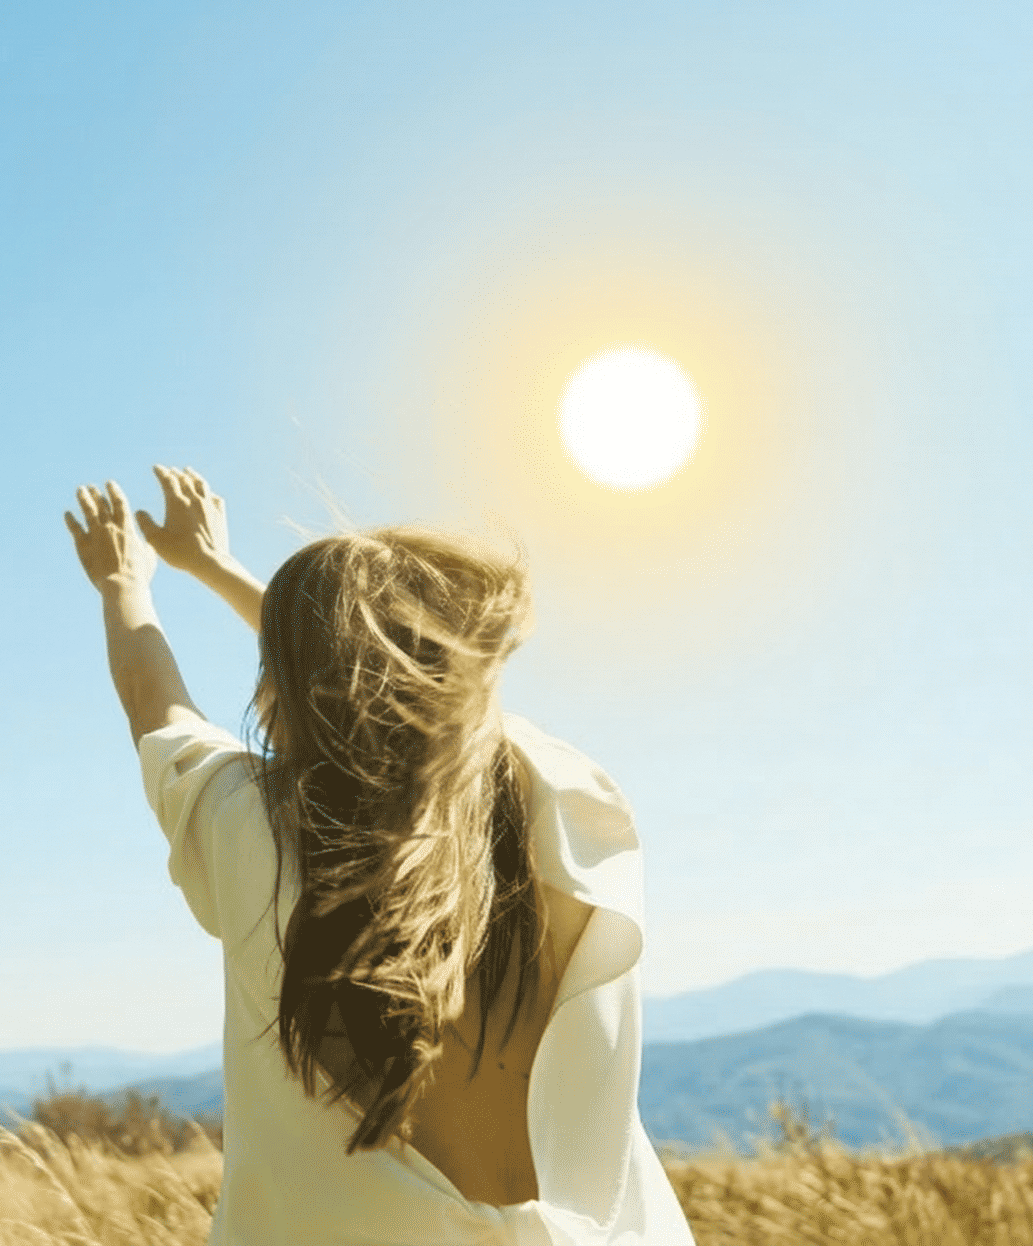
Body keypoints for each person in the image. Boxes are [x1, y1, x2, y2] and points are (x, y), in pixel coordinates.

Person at [64, 466, 697, 1245]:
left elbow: (149, 697)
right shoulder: (566, 807)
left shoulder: (249, 832)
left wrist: (125, 582)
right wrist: (221, 570)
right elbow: (405, 682)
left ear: (281, 690)